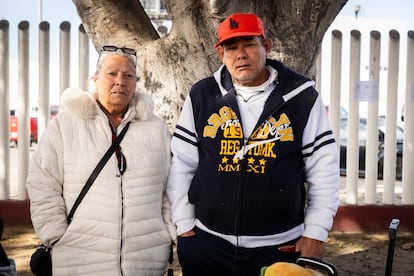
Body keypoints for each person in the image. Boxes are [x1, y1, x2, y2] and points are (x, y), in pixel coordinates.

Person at [167, 13, 340, 275]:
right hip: (207, 245)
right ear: (220, 53)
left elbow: (323, 171)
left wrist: (316, 233)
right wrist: (185, 228)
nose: (240, 54)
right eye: (231, 47)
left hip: (279, 248)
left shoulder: (302, 97)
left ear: (266, 46)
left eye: (248, 44)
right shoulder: (202, 95)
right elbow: (182, 165)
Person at [26, 45, 175, 275]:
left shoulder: (155, 128)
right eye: (112, 73)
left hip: (145, 260)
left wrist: (166, 234)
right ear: (95, 80)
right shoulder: (66, 125)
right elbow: (43, 182)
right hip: (78, 259)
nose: (120, 81)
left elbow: (170, 188)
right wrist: (56, 235)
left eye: (128, 76)